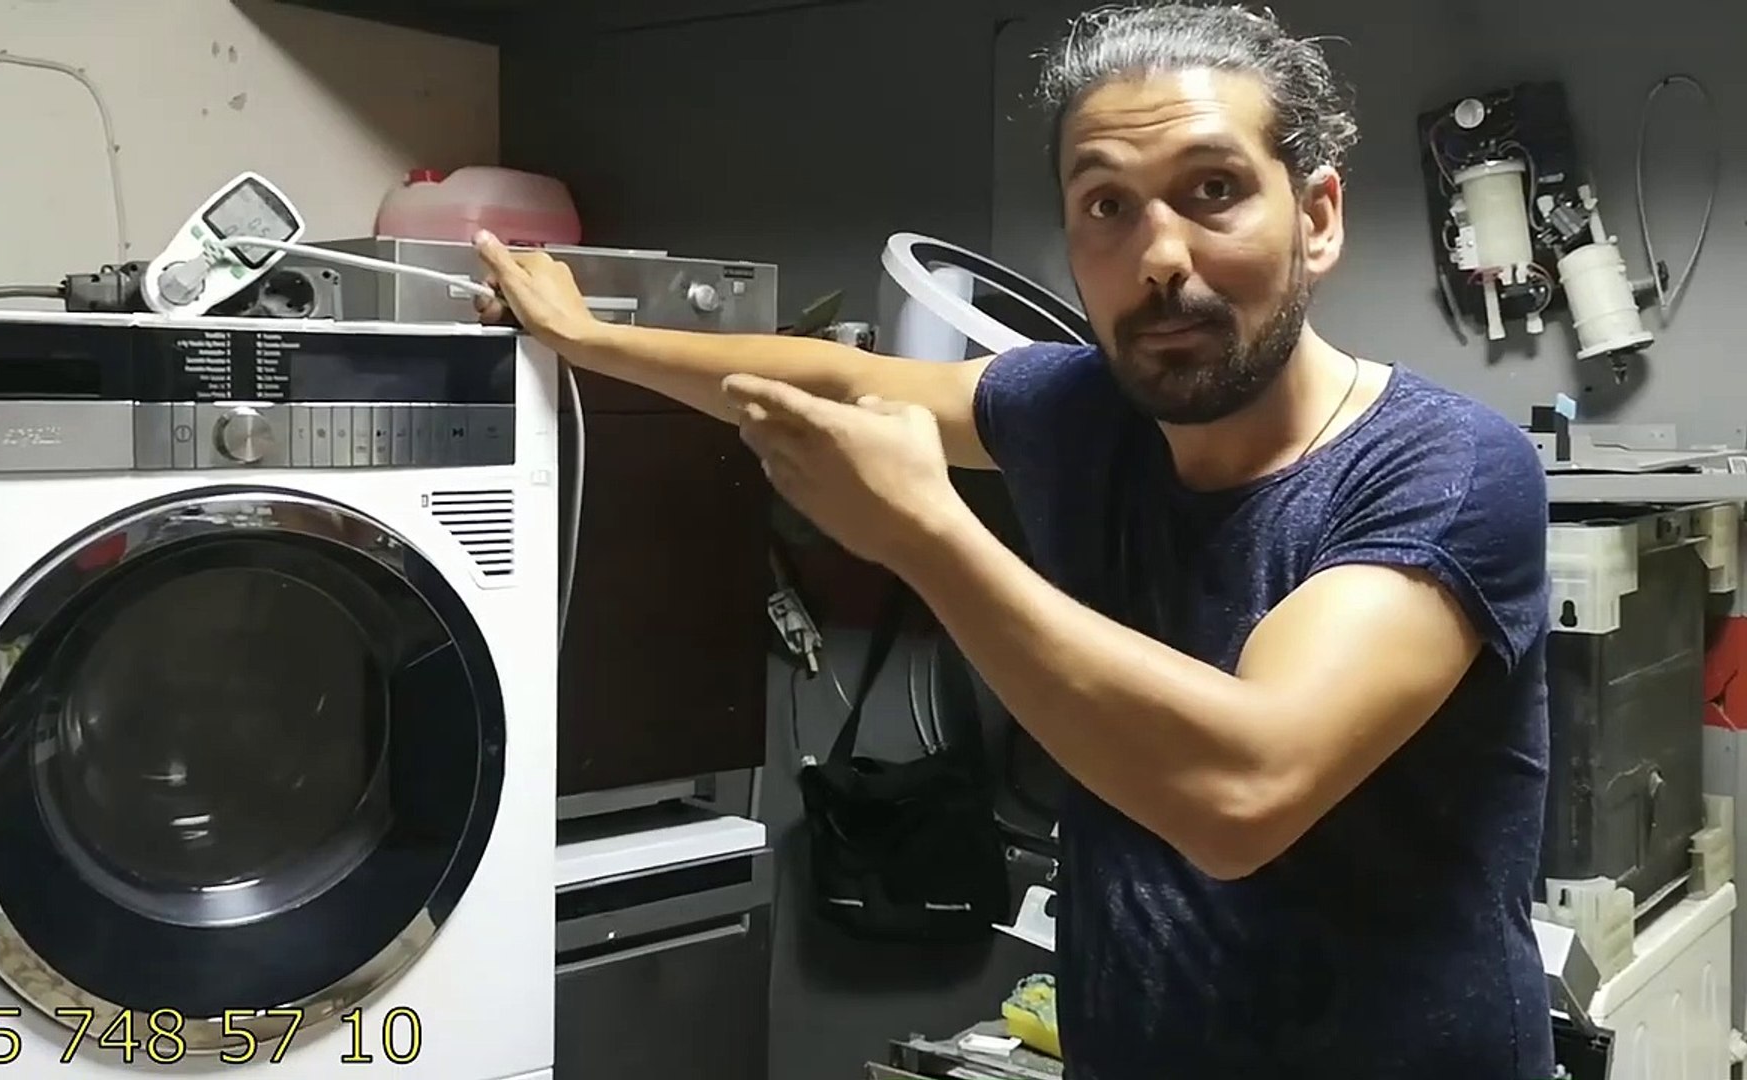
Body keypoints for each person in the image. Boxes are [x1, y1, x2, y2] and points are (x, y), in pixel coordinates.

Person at [473, 3, 1553, 1077]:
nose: (1160, 255)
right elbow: (843, 380)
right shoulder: (1080, 411)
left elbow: (1241, 794)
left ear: (1316, 217)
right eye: (1107, 205)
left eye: (1214, 190)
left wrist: (926, 536)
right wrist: (590, 341)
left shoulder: (1446, 469)